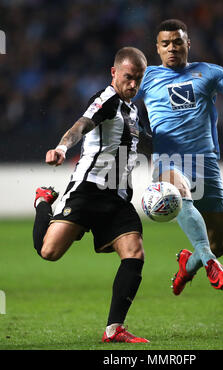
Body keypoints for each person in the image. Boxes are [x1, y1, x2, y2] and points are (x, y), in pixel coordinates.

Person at [135, 19, 223, 295]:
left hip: (206, 163)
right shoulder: (147, 78)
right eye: (165, 44)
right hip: (168, 161)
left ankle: (190, 263)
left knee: (219, 244)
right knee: (179, 192)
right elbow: (118, 102)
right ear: (157, 49)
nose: (172, 48)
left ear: (187, 44)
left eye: (177, 42)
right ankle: (210, 263)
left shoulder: (207, 72)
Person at [32, 47, 149, 343]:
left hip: (118, 197)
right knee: (49, 253)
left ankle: (114, 329)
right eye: (128, 77)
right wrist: (61, 147)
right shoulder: (105, 100)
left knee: (134, 252)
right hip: (88, 189)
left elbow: (138, 145)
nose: (133, 84)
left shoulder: (134, 110)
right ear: (114, 73)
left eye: (138, 79)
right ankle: (43, 202)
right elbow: (81, 126)